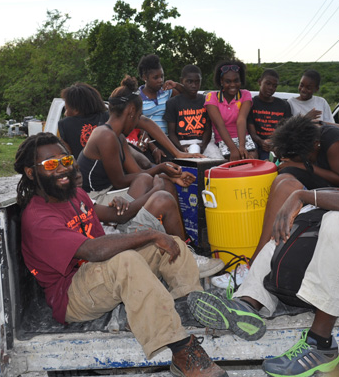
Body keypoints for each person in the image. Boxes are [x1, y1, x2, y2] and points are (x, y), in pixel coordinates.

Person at [188, 110, 339, 376]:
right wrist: (302, 201)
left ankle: (321, 344)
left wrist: (307, 195)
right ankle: (248, 303)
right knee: (304, 217)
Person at [14, 133, 227, 377]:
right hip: (72, 296)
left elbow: (114, 223)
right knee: (128, 258)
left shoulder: (76, 195)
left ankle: (189, 304)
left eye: (66, 160)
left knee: (171, 245)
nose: (63, 168)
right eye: (51, 164)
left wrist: (153, 235)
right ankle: (182, 352)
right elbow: (95, 250)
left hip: (98, 275)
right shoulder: (38, 218)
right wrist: (150, 234)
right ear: (31, 173)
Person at [249, 115, 339, 262]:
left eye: (304, 157)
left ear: (316, 145)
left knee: (287, 185)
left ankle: (257, 259)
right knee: (283, 178)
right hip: (321, 179)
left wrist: (301, 165)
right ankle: (260, 253)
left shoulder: (332, 140)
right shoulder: (295, 138)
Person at [78, 76, 194, 201]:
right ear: (132, 111)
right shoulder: (106, 136)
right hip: (93, 198)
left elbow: (138, 172)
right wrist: (161, 168)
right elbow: (120, 181)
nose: (137, 123)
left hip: (108, 192)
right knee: (160, 193)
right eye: (138, 116)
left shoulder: (119, 137)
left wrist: (171, 176)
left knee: (164, 185)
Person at [135, 54, 184, 162]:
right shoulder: (137, 98)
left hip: (168, 140)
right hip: (148, 142)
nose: (160, 80)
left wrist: (176, 85)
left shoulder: (166, 92)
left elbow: (187, 96)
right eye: (155, 77)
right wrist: (154, 148)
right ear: (144, 77)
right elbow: (138, 125)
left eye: (162, 76)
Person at [204, 60, 257, 160]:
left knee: (251, 160)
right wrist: (233, 149)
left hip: (244, 139)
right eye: (228, 81)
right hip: (223, 141)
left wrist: (241, 146)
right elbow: (220, 125)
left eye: (236, 81)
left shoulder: (245, 94)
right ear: (221, 82)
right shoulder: (212, 97)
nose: (233, 85)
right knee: (234, 163)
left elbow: (241, 120)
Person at [164, 65, 212, 154]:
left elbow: (208, 129)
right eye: (189, 82)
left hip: (203, 142)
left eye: (197, 82)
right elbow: (171, 133)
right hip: (182, 143)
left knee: (217, 159)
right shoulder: (173, 103)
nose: (194, 85)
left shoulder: (206, 101)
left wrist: (203, 146)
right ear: (182, 81)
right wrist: (181, 148)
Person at [247, 69, 292, 160]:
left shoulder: (284, 105)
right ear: (260, 82)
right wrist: (261, 142)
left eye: (274, 86)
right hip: (257, 144)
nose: (271, 88)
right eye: (268, 83)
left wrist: (275, 143)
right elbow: (251, 131)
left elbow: (286, 129)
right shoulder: (251, 103)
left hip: (277, 145)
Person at [57, 82, 109, 158]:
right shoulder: (108, 117)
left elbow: (68, 155)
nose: (65, 114)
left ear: (76, 109)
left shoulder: (65, 124)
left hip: (83, 168)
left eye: (66, 109)